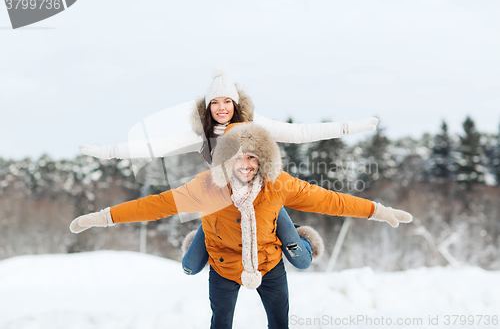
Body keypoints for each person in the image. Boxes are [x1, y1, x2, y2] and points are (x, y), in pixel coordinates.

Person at [70, 122, 412, 329]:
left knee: (279, 321)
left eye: (252, 156)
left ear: (263, 159)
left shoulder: (279, 184)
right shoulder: (205, 188)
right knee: (219, 321)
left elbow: (330, 200)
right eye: (238, 156)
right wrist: (103, 217)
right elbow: (155, 206)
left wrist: (378, 211)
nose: (245, 164)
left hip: (268, 262)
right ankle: (200, 238)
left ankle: (297, 240)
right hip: (223, 264)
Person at [78, 66, 379, 274]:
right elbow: (154, 146)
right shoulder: (201, 136)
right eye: (215, 103)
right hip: (219, 204)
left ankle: (290, 232)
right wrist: (108, 151)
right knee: (190, 266)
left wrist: (352, 127)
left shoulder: (255, 124)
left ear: (236, 103)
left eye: (227, 101)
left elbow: (301, 132)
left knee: (301, 261)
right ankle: (214, 237)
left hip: (262, 201)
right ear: (207, 107)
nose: (221, 107)